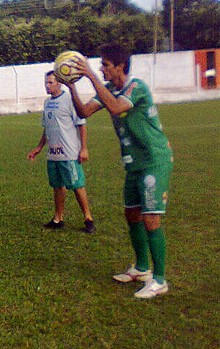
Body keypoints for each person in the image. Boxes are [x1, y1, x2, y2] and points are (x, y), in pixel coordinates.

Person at [64, 43, 173, 299]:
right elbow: (84, 111)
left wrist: (90, 76)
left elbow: (115, 107)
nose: (101, 69)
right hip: (133, 163)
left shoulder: (136, 87)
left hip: (154, 160)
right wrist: (70, 85)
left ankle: (159, 280)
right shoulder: (109, 89)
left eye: (105, 65)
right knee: (132, 215)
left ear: (119, 66)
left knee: (151, 219)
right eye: (100, 65)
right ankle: (141, 268)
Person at [27, 71, 96, 234]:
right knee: (57, 186)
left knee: (77, 185)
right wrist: (39, 147)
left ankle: (88, 218)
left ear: (59, 83)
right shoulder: (47, 103)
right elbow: (47, 128)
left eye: (50, 82)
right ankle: (58, 218)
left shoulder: (70, 100)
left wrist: (84, 148)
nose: (47, 85)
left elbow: (81, 124)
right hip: (53, 153)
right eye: (46, 82)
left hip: (69, 153)